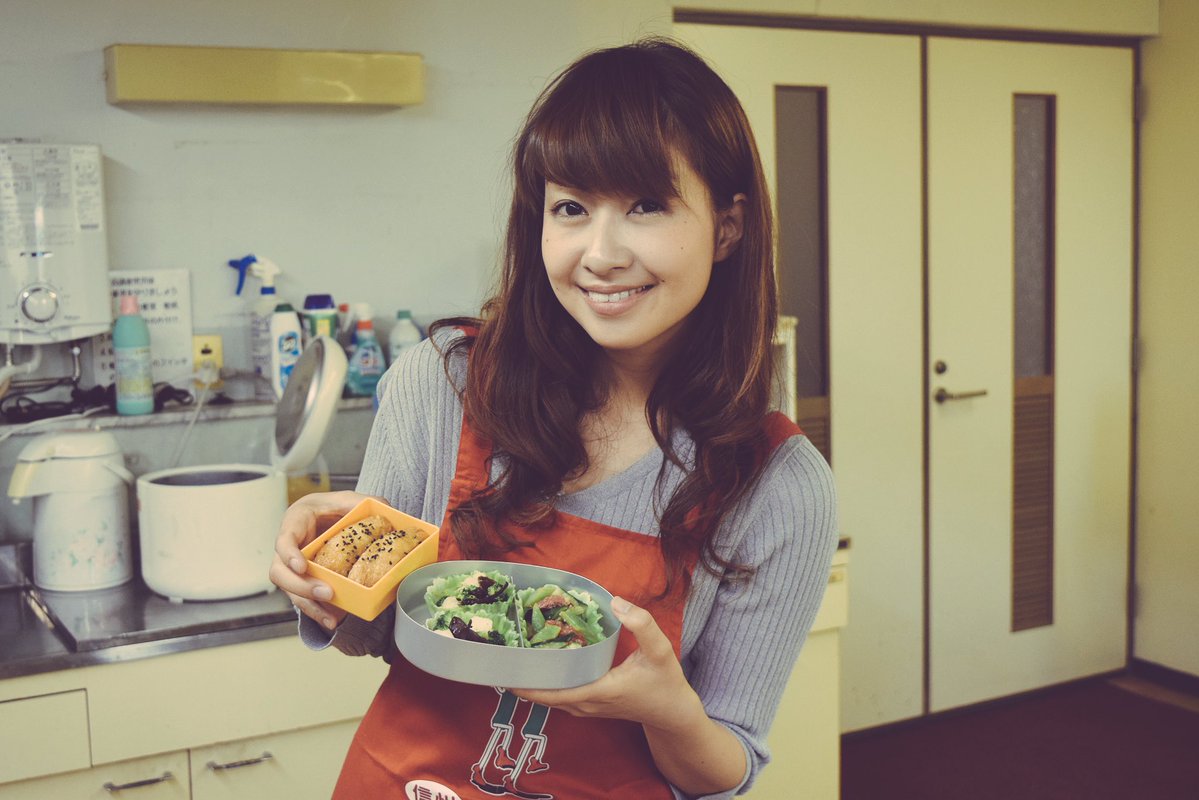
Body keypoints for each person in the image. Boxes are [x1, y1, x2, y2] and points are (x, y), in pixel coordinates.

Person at [270, 37, 837, 800]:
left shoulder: (776, 485)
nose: (599, 254)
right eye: (571, 207)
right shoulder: (442, 387)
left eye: (645, 204)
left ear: (727, 226)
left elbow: (725, 767)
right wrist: (322, 577)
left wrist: (670, 712)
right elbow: (372, 634)